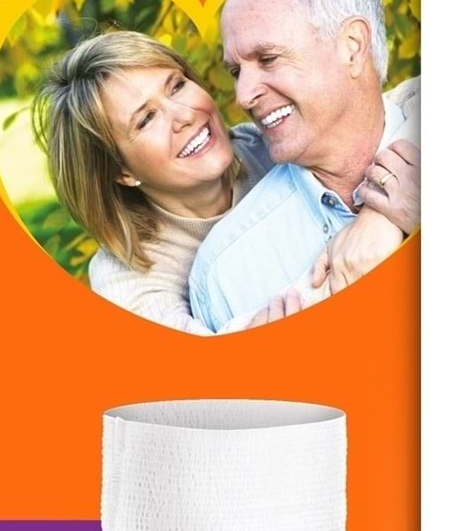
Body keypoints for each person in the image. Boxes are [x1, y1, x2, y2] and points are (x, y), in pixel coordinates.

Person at [32, 27, 411, 334]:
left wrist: (381, 212)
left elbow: (405, 103)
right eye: (146, 119)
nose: (184, 115)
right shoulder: (126, 278)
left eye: (176, 85)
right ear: (122, 172)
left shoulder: (268, 146)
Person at [188, 0, 421, 331]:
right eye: (236, 72)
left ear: (352, 47)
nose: (243, 95)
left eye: (268, 59)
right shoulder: (225, 274)